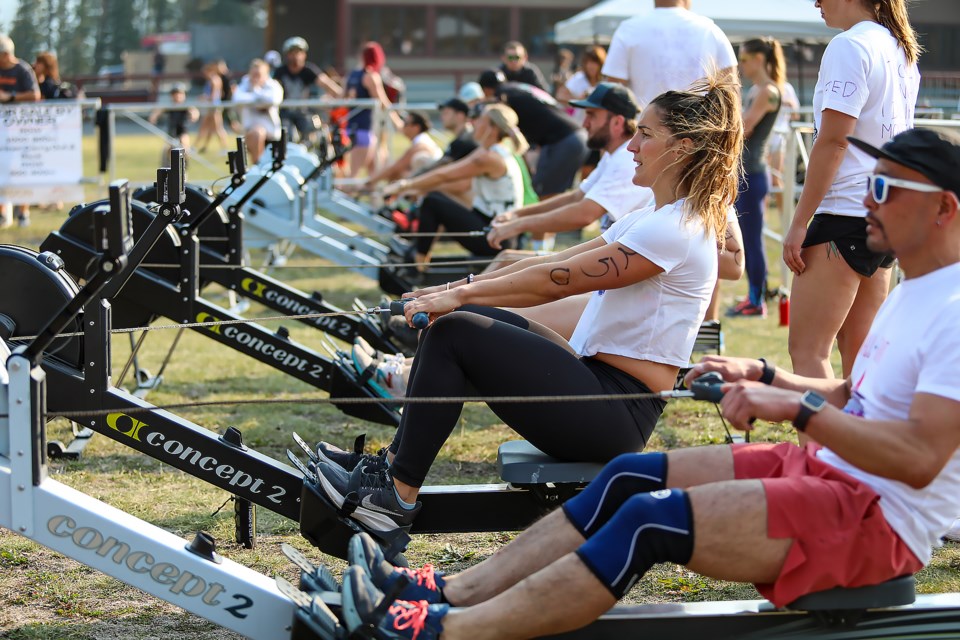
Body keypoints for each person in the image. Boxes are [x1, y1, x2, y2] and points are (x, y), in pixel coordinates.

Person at [338, 126, 960, 640]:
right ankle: (443, 589)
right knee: (629, 479)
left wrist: (796, 412)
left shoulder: (954, 312)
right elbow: (858, 397)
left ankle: (437, 630)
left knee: (646, 523)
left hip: (876, 521)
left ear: (943, 208)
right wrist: (767, 374)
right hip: (830, 474)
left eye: (881, 187)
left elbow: (919, 457)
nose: (865, 201)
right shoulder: (915, 292)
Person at [315, 74, 742, 533]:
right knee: (467, 319)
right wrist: (455, 290)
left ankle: (394, 495)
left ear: (682, 147)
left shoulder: (673, 228)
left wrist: (457, 296)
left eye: (645, 134)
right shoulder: (653, 217)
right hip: (600, 388)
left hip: (616, 412)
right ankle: (393, 468)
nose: (632, 145)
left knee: (455, 331)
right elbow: (558, 260)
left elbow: (559, 281)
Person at [782, 0, 920, 379]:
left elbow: (834, 142)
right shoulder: (900, 48)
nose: (816, 3)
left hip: (844, 212)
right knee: (859, 359)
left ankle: (822, 442)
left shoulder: (850, 45)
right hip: (885, 214)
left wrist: (799, 221)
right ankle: (857, 439)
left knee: (809, 353)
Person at [486, 83, 652, 253]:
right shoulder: (614, 155)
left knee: (509, 261)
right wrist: (516, 215)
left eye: (591, 115)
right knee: (507, 259)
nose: (584, 123)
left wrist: (518, 225)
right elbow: (577, 197)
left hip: (625, 261)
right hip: (616, 256)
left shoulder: (627, 160)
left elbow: (584, 214)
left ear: (617, 122)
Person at [380, 103, 528, 266]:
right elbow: (446, 172)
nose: (474, 123)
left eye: (480, 121)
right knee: (436, 196)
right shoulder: (493, 151)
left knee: (432, 201)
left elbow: (444, 175)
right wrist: (412, 187)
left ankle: (417, 266)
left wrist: (403, 186)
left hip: (495, 239)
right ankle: (416, 250)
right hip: (496, 230)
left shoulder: (489, 158)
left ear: (492, 129)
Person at [726, 38, 785, 318]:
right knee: (746, 239)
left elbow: (744, 128)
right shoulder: (758, 90)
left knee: (751, 240)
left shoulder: (768, 91)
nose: (741, 66)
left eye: (745, 60)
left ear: (759, 59)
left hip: (753, 174)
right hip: (746, 174)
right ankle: (754, 294)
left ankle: (757, 300)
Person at [601, 0, 737, 110]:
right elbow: (730, 92)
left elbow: (614, 93)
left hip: (643, 135)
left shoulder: (629, 29)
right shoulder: (711, 30)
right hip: (698, 135)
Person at [478, 69, 588, 200]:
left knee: (543, 195)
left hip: (563, 140)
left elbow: (507, 126)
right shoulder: (517, 88)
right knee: (559, 195)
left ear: (486, 90)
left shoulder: (503, 96)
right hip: (577, 135)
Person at [344, 42, 405, 178]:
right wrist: (397, 123)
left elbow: (343, 96)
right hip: (364, 129)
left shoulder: (352, 75)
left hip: (353, 127)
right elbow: (383, 102)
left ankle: (373, 197)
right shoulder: (371, 76)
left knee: (375, 169)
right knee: (353, 175)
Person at [0, 34, 42, 228]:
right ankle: (2, 212)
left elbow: (35, 95)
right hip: (2, 132)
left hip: (20, 132)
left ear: (6, 54)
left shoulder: (23, 70)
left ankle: (23, 212)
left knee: (20, 171)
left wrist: (10, 97)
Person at [274, 36, 341, 144]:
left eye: (299, 52)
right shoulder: (280, 72)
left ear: (304, 54)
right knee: (286, 135)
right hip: (285, 113)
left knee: (315, 132)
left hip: (303, 112)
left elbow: (326, 83)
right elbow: (272, 88)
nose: (296, 56)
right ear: (287, 54)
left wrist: (342, 95)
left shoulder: (308, 70)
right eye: (292, 52)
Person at [556, 45, 607, 179]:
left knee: (596, 167)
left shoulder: (605, 80)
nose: (591, 66)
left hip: (601, 129)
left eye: (595, 62)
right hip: (581, 127)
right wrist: (579, 99)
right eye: (588, 62)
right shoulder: (579, 79)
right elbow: (560, 96)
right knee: (584, 168)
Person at [360, 111, 442, 190]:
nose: (402, 126)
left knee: (399, 174)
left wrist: (369, 182)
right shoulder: (422, 141)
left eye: (406, 124)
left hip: (432, 184)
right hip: (431, 181)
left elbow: (395, 168)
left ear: (416, 127)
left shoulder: (420, 144)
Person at [233, 58, 284, 163]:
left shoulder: (273, 85)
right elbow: (237, 98)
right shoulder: (244, 84)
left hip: (272, 135)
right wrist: (259, 99)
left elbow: (273, 99)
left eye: (259, 74)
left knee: (258, 133)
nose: (255, 78)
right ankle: (258, 167)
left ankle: (259, 167)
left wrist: (255, 92)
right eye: (253, 74)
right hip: (250, 134)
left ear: (266, 74)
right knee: (257, 133)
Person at [147, 83, 199, 165]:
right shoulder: (170, 106)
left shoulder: (186, 105)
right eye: (175, 94)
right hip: (172, 131)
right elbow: (159, 111)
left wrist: (194, 116)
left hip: (183, 130)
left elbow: (194, 111)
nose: (177, 96)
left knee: (185, 146)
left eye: (180, 94)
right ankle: (168, 166)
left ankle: (185, 165)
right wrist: (153, 117)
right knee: (167, 148)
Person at [195, 62, 230, 154]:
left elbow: (213, 97)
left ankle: (224, 148)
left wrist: (204, 97)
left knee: (218, 128)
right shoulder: (213, 80)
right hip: (212, 107)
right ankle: (197, 146)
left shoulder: (214, 80)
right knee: (206, 128)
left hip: (213, 108)